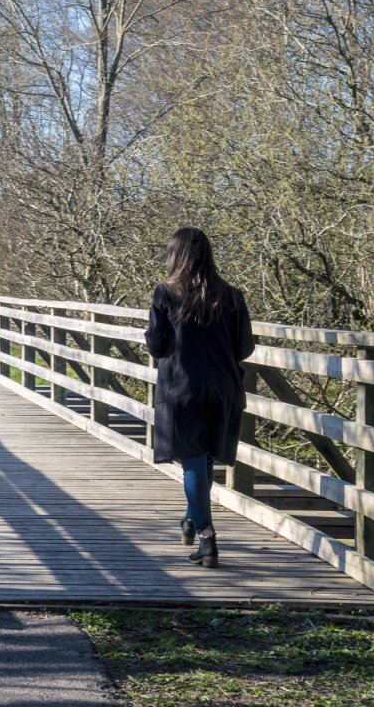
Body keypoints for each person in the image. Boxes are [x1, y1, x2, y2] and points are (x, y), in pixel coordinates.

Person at [144, 226, 255, 568]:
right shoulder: (233, 296)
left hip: (183, 390)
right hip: (224, 390)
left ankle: (206, 537)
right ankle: (191, 520)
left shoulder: (166, 293)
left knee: (192, 460)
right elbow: (245, 347)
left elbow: (157, 345)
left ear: (175, 255)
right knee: (204, 459)